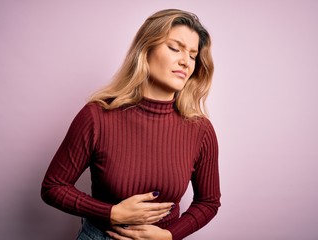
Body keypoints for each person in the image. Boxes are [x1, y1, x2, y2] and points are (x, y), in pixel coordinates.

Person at [41, 8, 221, 240]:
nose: (185, 61)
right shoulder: (97, 116)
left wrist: (169, 235)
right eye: (175, 48)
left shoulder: (200, 129)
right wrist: (111, 213)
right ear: (146, 50)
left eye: (193, 55)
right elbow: (53, 186)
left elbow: (209, 202)